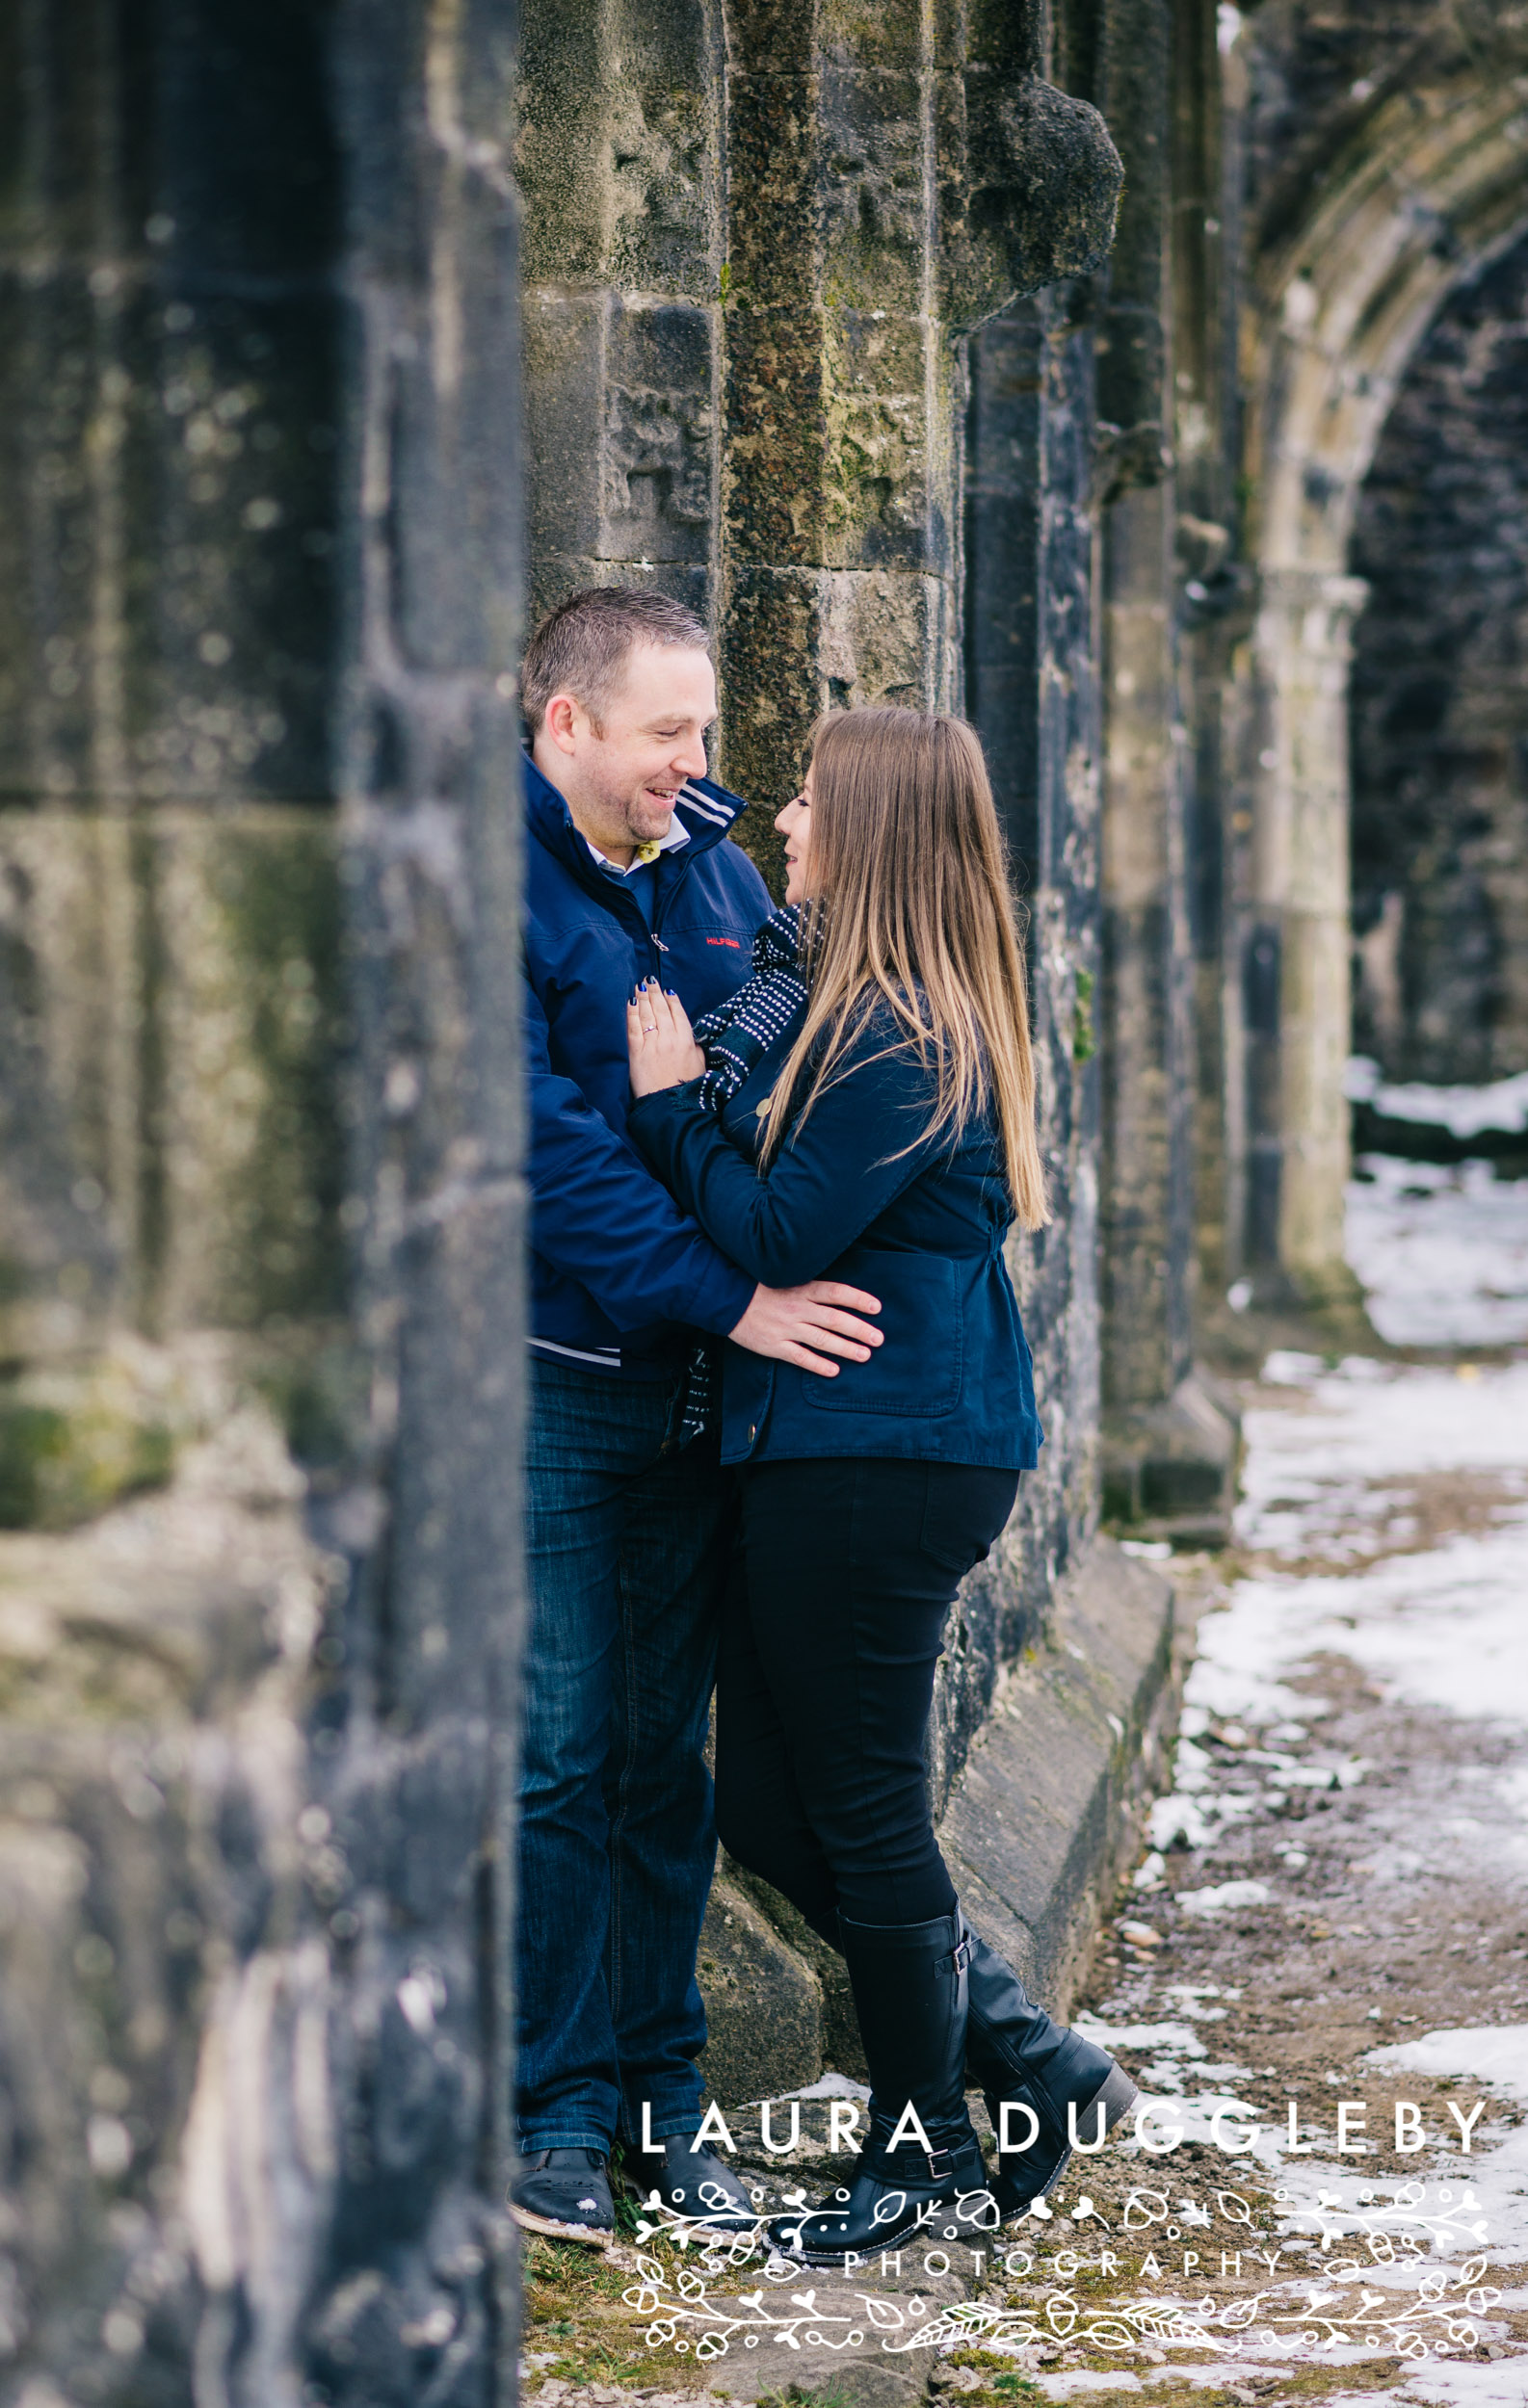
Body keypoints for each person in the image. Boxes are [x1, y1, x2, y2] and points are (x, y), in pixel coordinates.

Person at [626, 705, 1138, 2264]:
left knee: (854, 1804)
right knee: (783, 1810)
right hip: (841, 1448)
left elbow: (777, 1233)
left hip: (884, 1454)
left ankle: (921, 2152)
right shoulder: (861, 1004)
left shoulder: (906, 1026)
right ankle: (1025, 2064)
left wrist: (664, 1104)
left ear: (873, 828)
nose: (782, 819)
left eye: (804, 801)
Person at [513, 589, 887, 2246]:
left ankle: (667, 2105)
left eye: (703, 733)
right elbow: (543, 1160)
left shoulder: (723, 868)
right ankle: (552, 2116)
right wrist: (734, 1295)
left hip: (702, 1399)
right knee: (554, 1752)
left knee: (672, 1761)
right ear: (564, 724)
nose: (693, 763)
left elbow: (785, 1065)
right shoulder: (487, 882)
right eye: (664, 732)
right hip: (552, 1382)